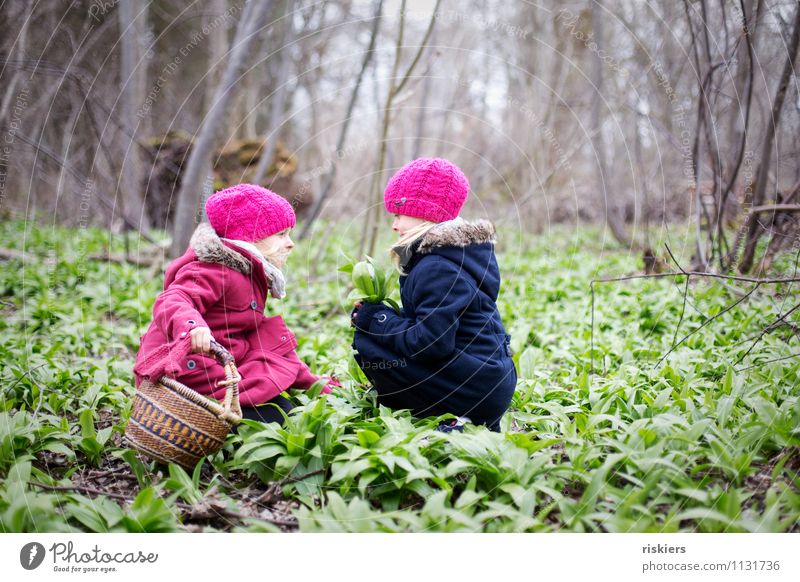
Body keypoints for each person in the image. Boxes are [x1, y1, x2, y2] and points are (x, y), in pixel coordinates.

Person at [134, 184, 338, 426]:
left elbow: (265, 342)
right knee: (281, 414)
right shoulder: (216, 269)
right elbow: (173, 298)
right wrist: (192, 327)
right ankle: (207, 422)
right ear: (252, 237)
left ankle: (243, 414)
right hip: (187, 372)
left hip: (222, 363)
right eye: (281, 235)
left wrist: (312, 382)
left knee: (276, 374)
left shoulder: (249, 272)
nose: (290, 243)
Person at [351, 158, 516, 432]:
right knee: (375, 334)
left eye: (398, 214)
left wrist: (376, 318)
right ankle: (455, 411)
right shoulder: (454, 255)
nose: (394, 225)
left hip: (477, 388)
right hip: (488, 378)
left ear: (424, 213)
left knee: (369, 341)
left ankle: (455, 416)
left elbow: (430, 344)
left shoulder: (437, 267)